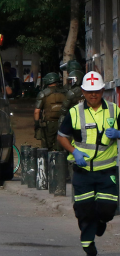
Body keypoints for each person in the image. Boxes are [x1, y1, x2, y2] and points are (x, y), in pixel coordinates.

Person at [57, 71, 119, 256]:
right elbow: (62, 136)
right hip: (83, 172)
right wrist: (74, 152)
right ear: (83, 92)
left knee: (107, 209)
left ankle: (101, 222)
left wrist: (118, 133)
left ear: (102, 91)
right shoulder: (74, 112)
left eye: (97, 91)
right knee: (85, 210)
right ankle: (88, 244)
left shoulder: (114, 110)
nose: (94, 95)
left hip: (107, 171)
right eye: (90, 91)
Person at [33, 72, 66, 150]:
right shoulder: (65, 92)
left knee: (47, 146)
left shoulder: (43, 94)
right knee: (61, 144)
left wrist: (37, 124)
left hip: (48, 124)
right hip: (63, 122)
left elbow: (37, 111)